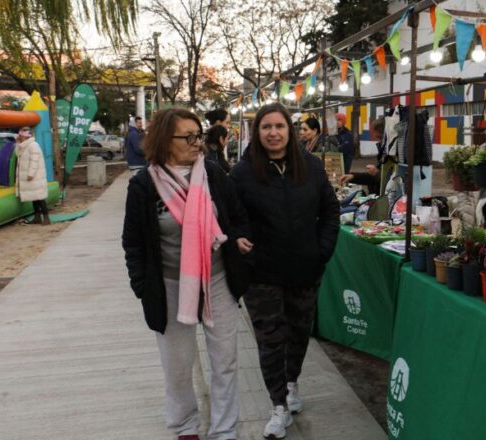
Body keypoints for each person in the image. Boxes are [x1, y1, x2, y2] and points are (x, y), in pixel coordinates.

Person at [122, 108, 252, 440]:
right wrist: (142, 286)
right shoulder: (143, 185)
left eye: (200, 136)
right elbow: (133, 242)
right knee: (178, 367)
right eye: (189, 137)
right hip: (169, 285)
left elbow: (236, 217)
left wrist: (237, 238)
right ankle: (185, 427)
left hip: (218, 280)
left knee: (225, 362)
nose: (198, 144)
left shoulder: (212, 174)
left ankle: (225, 430)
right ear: (166, 139)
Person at [229, 103, 340, 439]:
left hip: (306, 269)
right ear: (257, 132)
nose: (273, 133)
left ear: (289, 131)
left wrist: (322, 252)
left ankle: (291, 383)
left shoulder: (311, 167)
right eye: (266, 127)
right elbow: (231, 216)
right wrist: (238, 238)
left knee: (297, 333)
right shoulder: (243, 172)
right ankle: (277, 404)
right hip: (262, 274)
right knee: (270, 339)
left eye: (279, 126)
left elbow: (330, 211)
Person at [338, 117, 385, 195]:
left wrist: (377, 173)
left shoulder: (390, 154)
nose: (378, 141)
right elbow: (372, 178)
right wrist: (352, 176)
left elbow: (388, 180)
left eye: (380, 138)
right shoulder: (383, 152)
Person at [14, 126, 50, 225]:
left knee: (39, 197)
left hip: (34, 176)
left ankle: (46, 218)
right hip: (31, 176)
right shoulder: (24, 145)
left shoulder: (33, 145)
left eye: (20, 135)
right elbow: (17, 154)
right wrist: (18, 144)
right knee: (34, 197)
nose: (19, 137)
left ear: (25, 136)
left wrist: (30, 174)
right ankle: (37, 217)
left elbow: (34, 160)